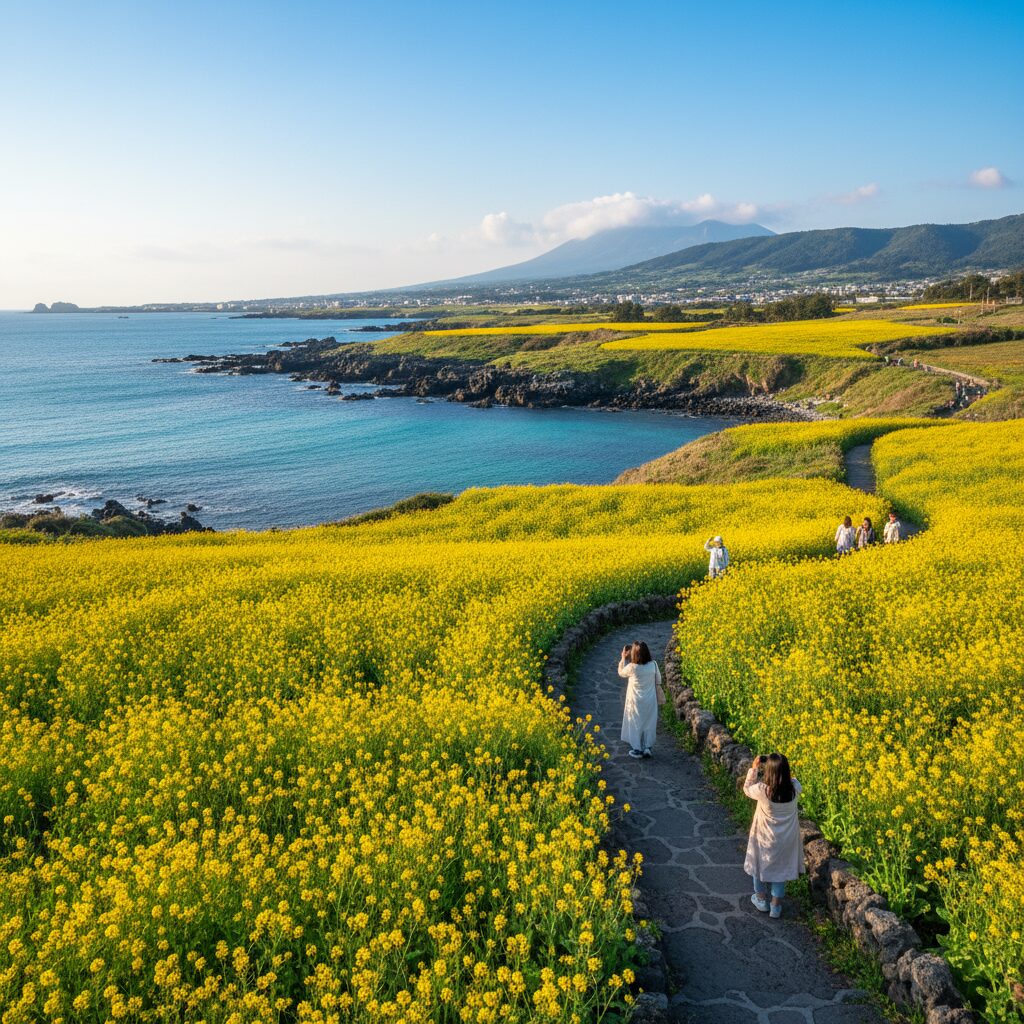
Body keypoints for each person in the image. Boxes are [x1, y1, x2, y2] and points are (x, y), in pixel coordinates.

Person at [744, 753, 804, 919]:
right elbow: (794, 781)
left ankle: (761, 899)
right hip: (786, 839)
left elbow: (747, 788)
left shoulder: (763, 791)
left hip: (764, 836)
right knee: (781, 869)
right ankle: (775, 907)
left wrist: (754, 768)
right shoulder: (795, 788)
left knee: (758, 864)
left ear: (768, 771)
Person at [618, 640, 661, 760]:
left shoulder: (632, 667)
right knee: (649, 723)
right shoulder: (654, 665)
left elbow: (621, 672)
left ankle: (637, 749)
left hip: (635, 701)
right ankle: (647, 748)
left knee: (635, 723)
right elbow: (659, 680)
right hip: (650, 700)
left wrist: (623, 658)